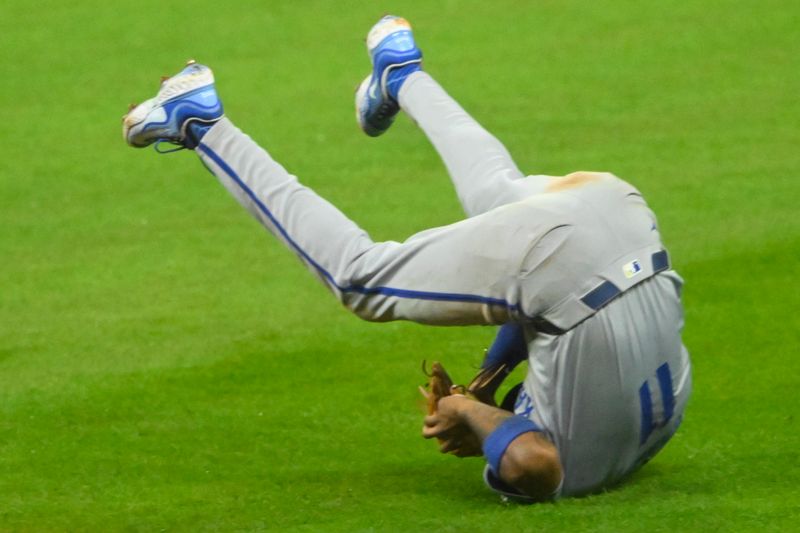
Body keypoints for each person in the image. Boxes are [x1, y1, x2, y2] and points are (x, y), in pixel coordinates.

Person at [122, 15, 692, 502]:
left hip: (622, 214)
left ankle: (402, 72)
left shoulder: (657, 419)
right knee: (361, 279)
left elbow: (558, 321)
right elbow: (532, 467)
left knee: (497, 188)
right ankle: (201, 123)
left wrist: (483, 385)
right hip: (558, 268)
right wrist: (470, 413)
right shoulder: (572, 467)